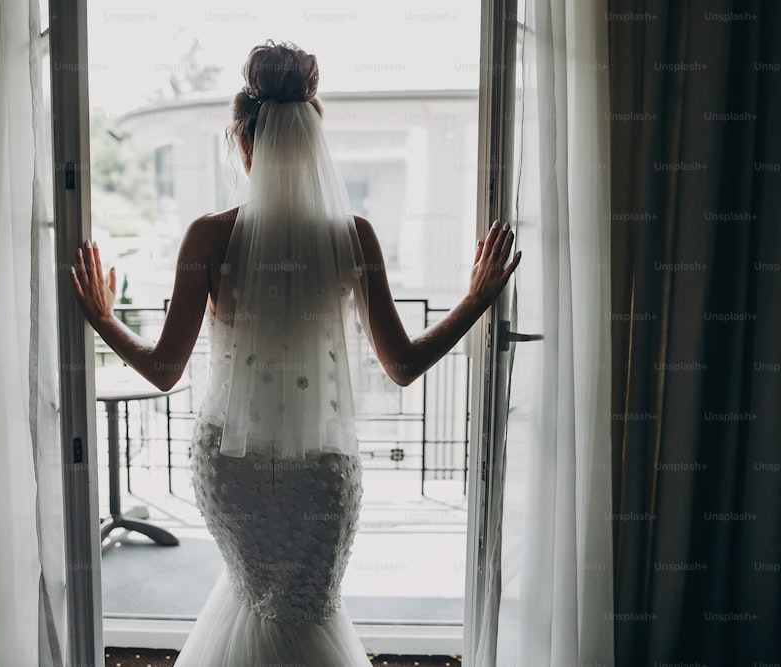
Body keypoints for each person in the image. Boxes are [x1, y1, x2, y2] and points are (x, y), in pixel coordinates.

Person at [71, 40, 519, 667]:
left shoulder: (208, 236)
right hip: (319, 472)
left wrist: (103, 320)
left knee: (257, 602)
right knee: (305, 609)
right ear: (312, 140)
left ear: (244, 141)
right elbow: (403, 364)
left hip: (233, 464)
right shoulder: (351, 237)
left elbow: (164, 371)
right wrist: (474, 301)